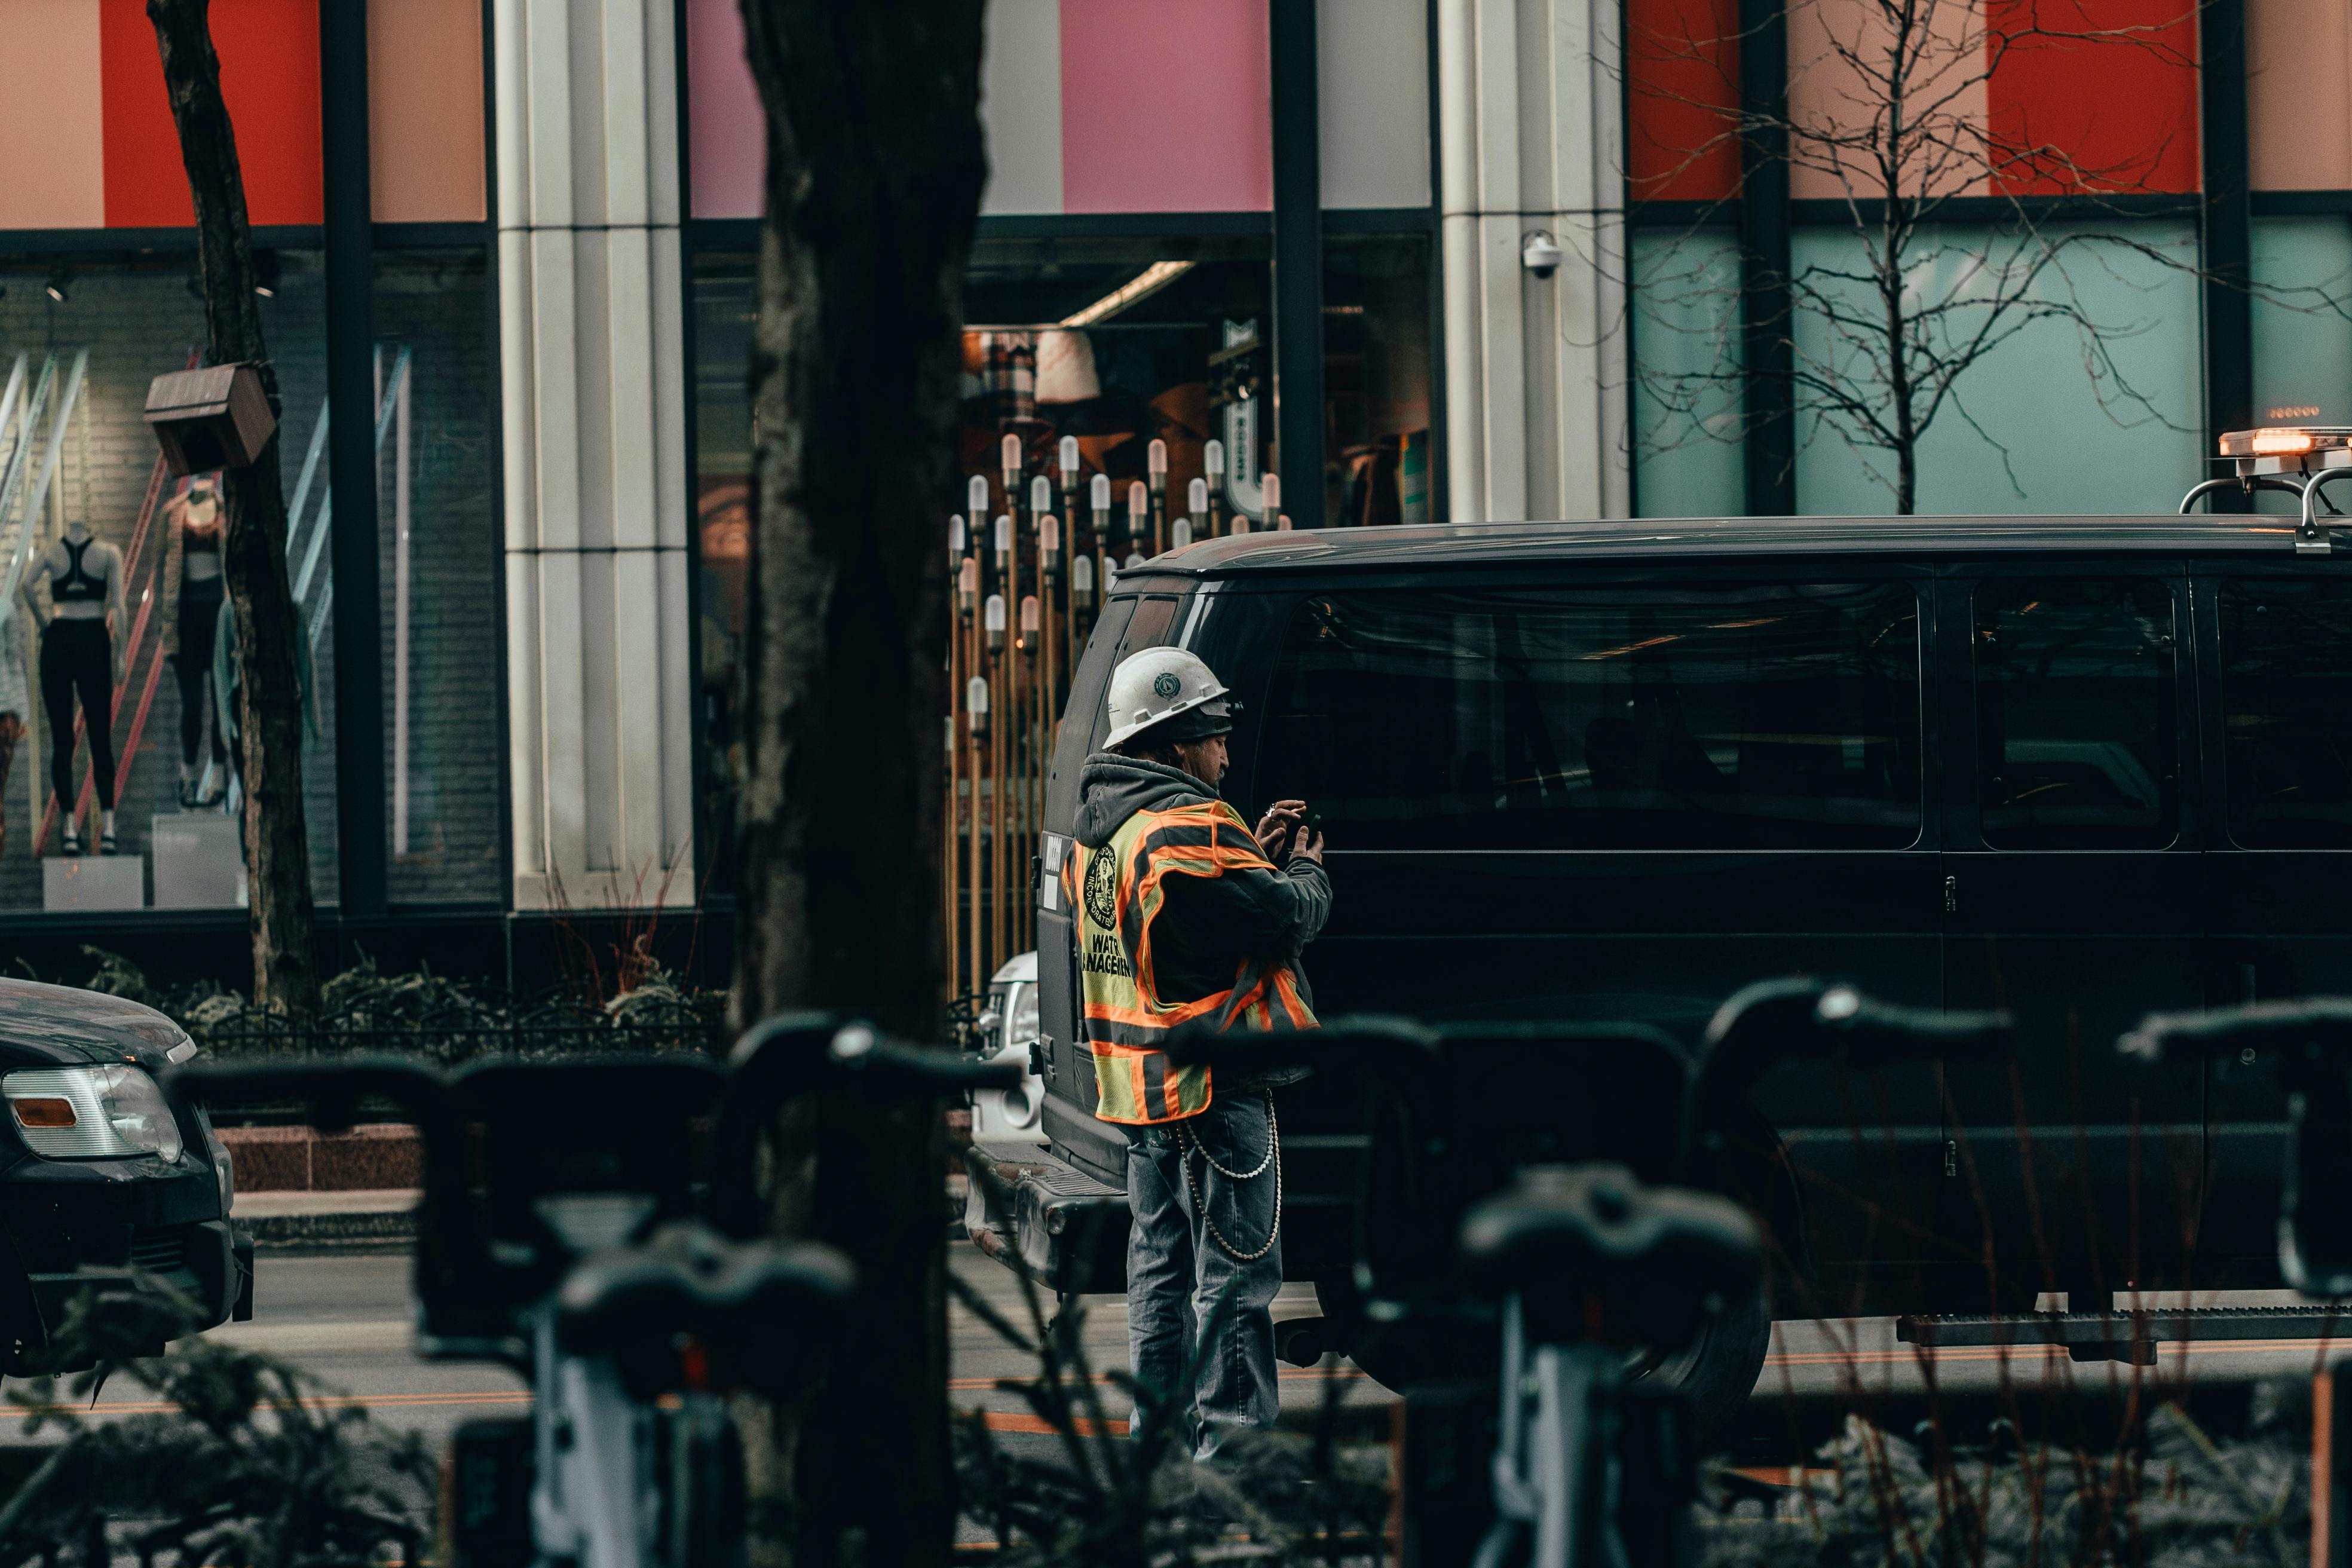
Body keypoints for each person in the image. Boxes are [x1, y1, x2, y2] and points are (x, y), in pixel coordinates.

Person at [1068, 646, 1329, 1459]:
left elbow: (1188, 921)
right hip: (1214, 1095)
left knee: (1159, 1269)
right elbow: (1280, 918)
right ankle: (1236, 1452)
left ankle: (1160, 1436)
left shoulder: (1108, 831)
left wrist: (1250, 846)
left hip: (1139, 1092)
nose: (1224, 753)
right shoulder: (1189, 829)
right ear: (1176, 742)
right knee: (1237, 1278)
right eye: (1213, 736)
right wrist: (1309, 868)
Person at [20, 516, 127, 856]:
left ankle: (70, 827)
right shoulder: (109, 553)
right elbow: (120, 605)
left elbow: (26, 586)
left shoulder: (52, 553)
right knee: (99, 735)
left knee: (63, 739)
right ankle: (108, 826)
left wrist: (44, 625)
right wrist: (121, 653)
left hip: (60, 639)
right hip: (94, 639)